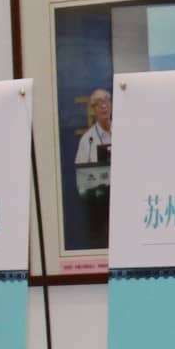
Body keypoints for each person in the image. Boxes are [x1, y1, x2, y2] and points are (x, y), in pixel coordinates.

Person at [71, 88, 113, 239]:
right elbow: (81, 177)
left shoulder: (123, 132)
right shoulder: (87, 140)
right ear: (93, 109)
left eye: (106, 101)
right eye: (99, 103)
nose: (104, 106)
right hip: (99, 206)